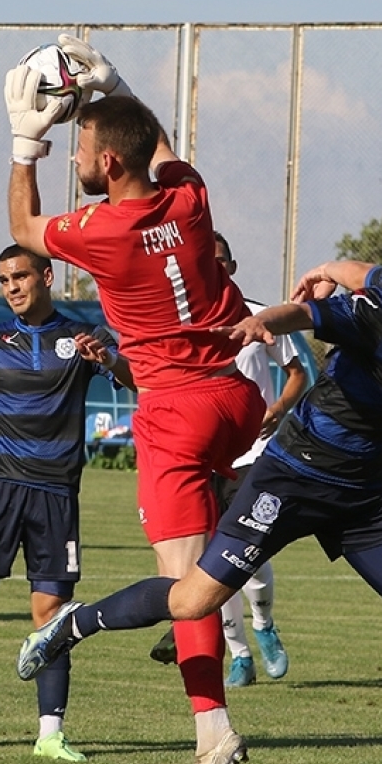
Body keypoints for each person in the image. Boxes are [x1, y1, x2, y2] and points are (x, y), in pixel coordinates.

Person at [18, 227, 382, 764]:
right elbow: (315, 313)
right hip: (295, 475)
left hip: (362, 490)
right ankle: (71, 624)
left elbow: (364, 272)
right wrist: (268, 323)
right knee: (192, 599)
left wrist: (329, 264)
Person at [6, 35, 265, 764]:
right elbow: (161, 150)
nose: (77, 144)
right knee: (197, 586)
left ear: (107, 165)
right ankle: (210, 729)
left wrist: (27, 141)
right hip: (236, 401)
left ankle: (78, 627)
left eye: (83, 141)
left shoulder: (101, 233)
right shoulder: (188, 200)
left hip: (178, 414)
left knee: (188, 586)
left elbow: (23, 225)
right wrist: (111, 89)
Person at [0, 244, 133, 762]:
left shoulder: (82, 338)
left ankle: (50, 733)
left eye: (21, 276)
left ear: (47, 275)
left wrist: (108, 358)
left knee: (51, 615)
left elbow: (136, 380)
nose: (13, 286)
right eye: (4, 279)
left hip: (55, 492)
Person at [148, 232, 309, 688]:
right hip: (203, 455)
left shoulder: (262, 313)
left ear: (232, 267)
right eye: (205, 260)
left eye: (221, 261)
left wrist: (276, 412)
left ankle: (264, 624)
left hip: (254, 453)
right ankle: (239, 654)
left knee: (251, 552)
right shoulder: (184, 320)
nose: (213, 268)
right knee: (212, 560)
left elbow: (298, 373)